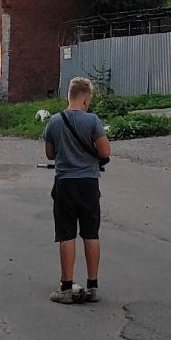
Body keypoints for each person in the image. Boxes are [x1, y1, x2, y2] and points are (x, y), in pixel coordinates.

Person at [42, 75, 110, 304]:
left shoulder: (54, 121)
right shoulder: (93, 121)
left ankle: (66, 287)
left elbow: (50, 154)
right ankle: (92, 286)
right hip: (89, 183)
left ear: (69, 96)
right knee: (91, 233)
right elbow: (105, 152)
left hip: (65, 184)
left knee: (66, 234)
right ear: (86, 98)